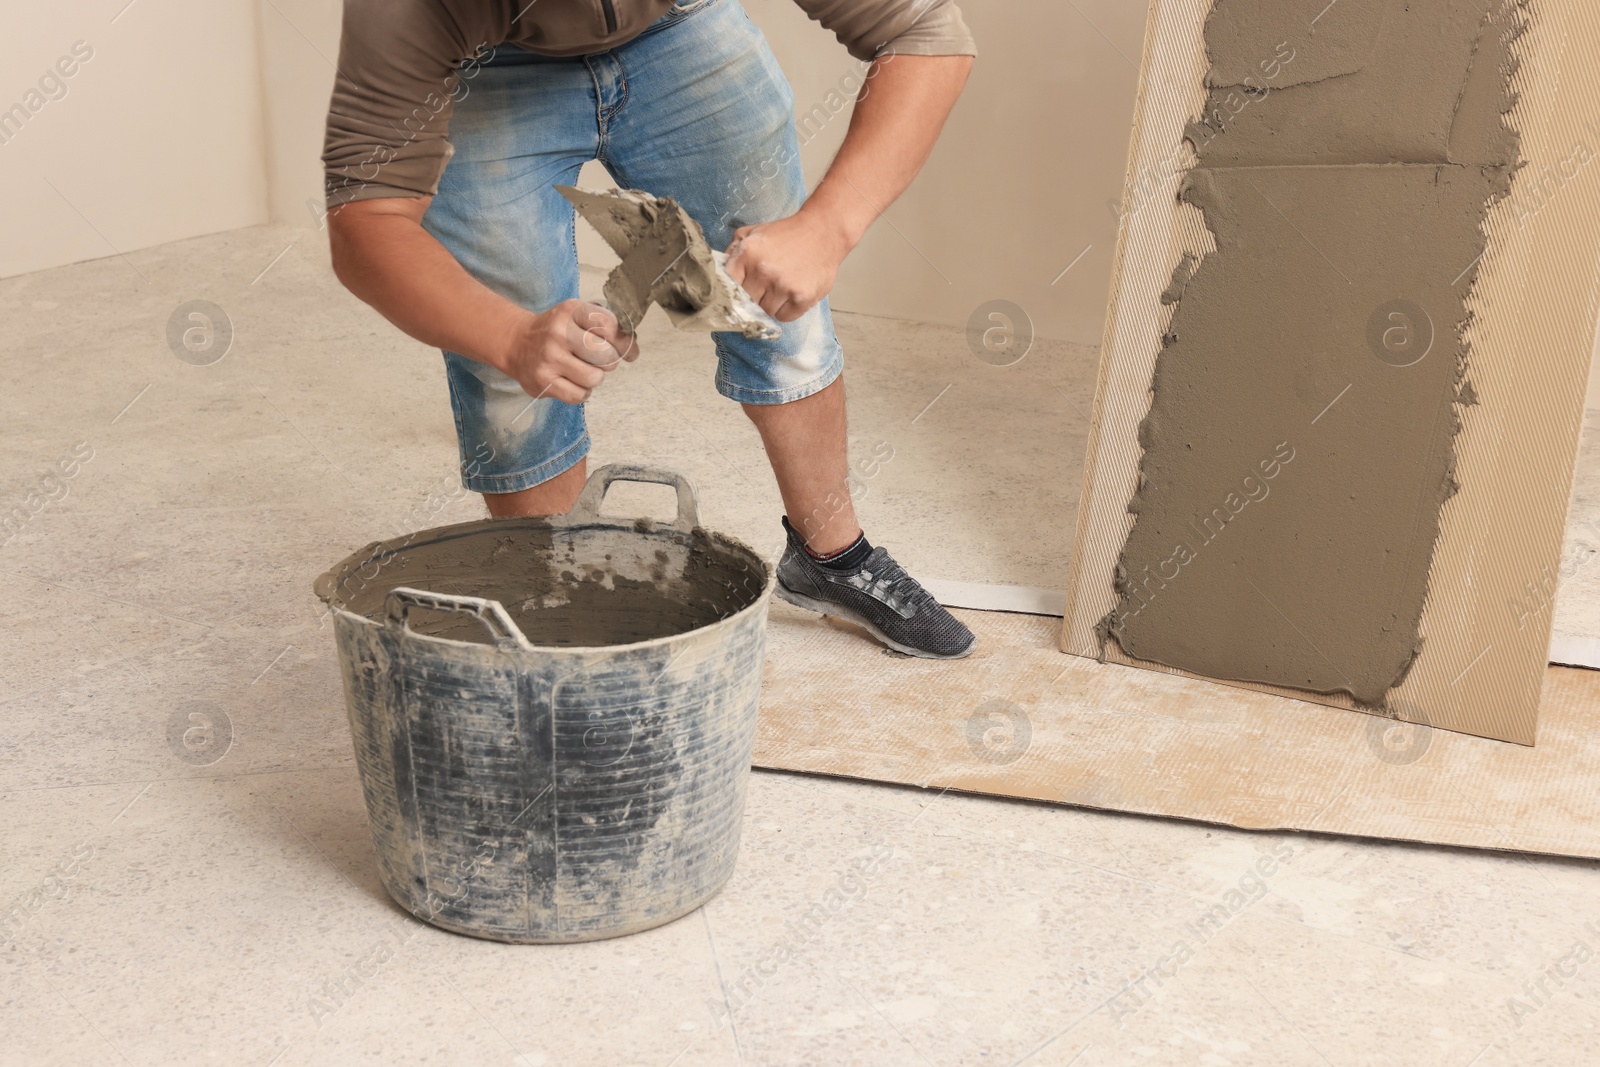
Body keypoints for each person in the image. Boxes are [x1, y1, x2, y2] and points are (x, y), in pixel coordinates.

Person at [322, 0, 978, 658]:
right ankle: (564, 614)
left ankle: (834, 559)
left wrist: (828, 227)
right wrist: (510, 337)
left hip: (681, 25)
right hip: (485, 73)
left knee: (780, 316)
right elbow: (366, 221)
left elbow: (927, 32)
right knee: (515, 367)